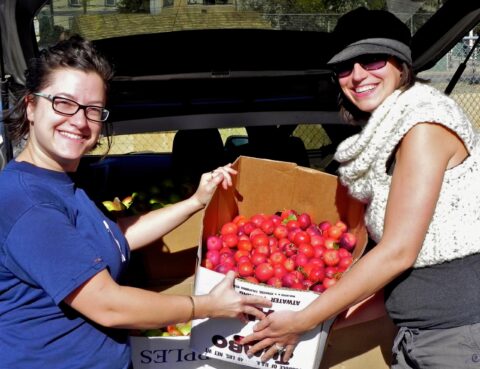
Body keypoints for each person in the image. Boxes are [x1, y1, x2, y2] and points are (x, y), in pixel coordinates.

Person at [0, 35, 271, 369]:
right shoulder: (28, 203)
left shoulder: (60, 184)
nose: (80, 121)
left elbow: (113, 235)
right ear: (30, 105)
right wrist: (206, 305)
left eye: (93, 110)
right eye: (63, 103)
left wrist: (195, 201)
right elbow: (107, 305)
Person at [242, 7, 480, 368]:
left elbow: (399, 252)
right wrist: (321, 317)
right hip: (424, 334)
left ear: (401, 63)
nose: (356, 76)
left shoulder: (425, 129)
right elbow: (408, 263)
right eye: (344, 67)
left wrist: (303, 321)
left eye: (371, 60)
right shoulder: (396, 132)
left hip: (456, 336)